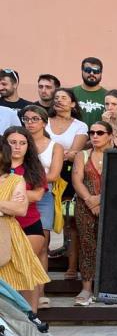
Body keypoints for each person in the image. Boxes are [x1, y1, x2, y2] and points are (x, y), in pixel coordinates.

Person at [4, 127, 49, 311]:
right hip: (4, 227)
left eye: (22, 143)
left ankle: (32, 315)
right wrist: (17, 196)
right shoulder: (1, 167)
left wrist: (8, 198)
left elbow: (37, 196)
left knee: (26, 268)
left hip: (29, 224)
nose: (17, 147)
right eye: (12, 142)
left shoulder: (34, 168)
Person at [22, 105, 63, 308]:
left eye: (35, 119)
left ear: (44, 122)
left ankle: (41, 291)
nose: (30, 122)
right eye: (27, 119)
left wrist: (26, 179)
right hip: (18, 193)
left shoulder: (54, 146)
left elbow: (54, 175)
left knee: (42, 245)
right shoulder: (18, 143)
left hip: (44, 194)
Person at [71, 120, 113, 306]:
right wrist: (90, 200)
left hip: (112, 205)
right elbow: (77, 180)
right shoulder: (83, 154)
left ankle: (107, 287)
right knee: (87, 244)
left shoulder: (116, 155)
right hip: (85, 206)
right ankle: (86, 288)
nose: (95, 136)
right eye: (92, 132)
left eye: (100, 132)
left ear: (110, 135)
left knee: (111, 245)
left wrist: (100, 199)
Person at [47, 87, 87, 279]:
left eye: (64, 97)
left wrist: (52, 154)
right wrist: (61, 153)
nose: (59, 100)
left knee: (70, 219)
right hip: (43, 174)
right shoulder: (44, 122)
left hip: (67, 175)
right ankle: (42, 267)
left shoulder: (80, 126)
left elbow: (74, 153)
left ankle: (71, 267)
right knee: (45, 220)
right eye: (56, 98)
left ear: (73, 103)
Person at [70, 57, 105, 126]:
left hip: (98, 135)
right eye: (88, 70)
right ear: (82, 71)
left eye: (96, 71)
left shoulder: (108, 96)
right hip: (74, 136)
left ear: (101, 73)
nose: (92, 73)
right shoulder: (70, 93)